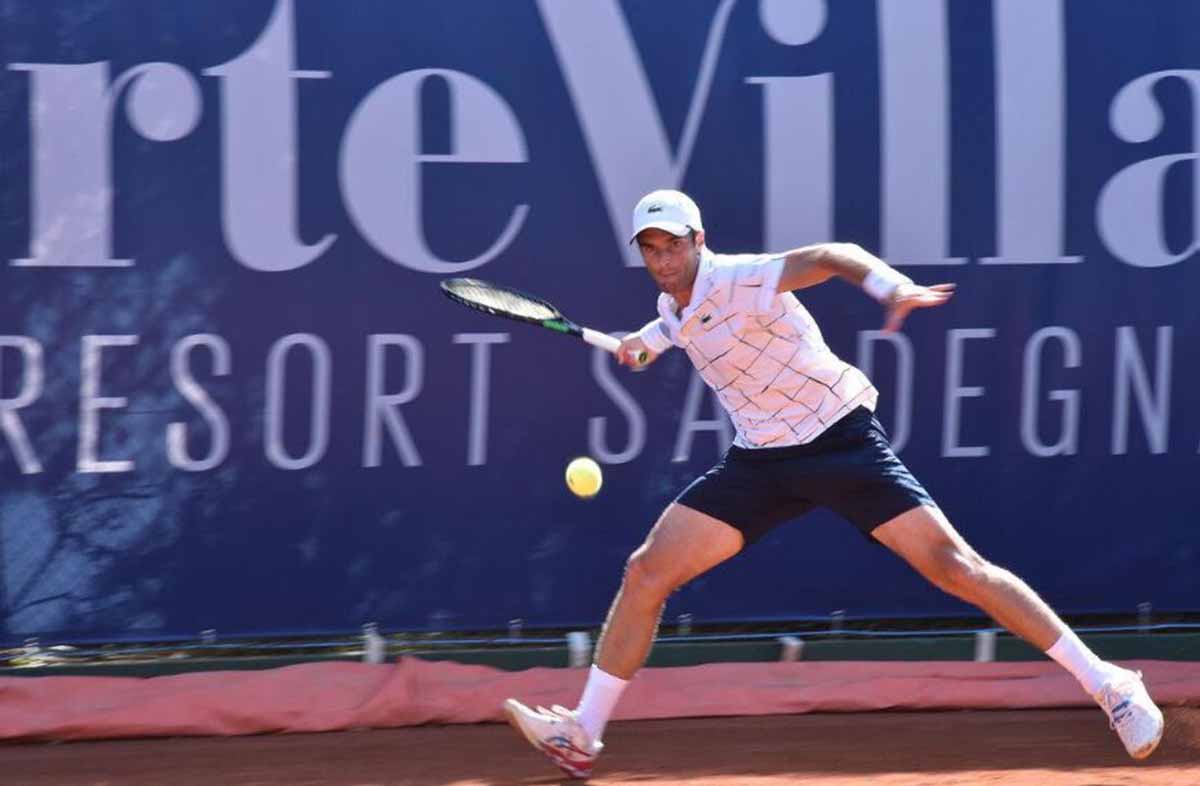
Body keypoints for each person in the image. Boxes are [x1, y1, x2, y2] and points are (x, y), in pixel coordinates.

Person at [503, 189, 1164, 779]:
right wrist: (641, 343)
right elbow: (674, 329)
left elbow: (832, 253)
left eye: (672, 244)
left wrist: (888, 285)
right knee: (648, 570)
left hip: (839, 441)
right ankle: (583, 731)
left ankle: (1110, 683)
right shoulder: (672, 303)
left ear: (698, 241)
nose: (661, 257)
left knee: (956, 567)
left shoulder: (740, 277)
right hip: (760, 464)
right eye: (650, 247)